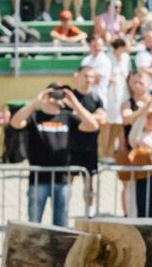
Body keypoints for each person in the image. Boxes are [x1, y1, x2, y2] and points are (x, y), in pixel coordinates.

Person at [11, 80, 98, 229]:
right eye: (53, 92)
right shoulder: (35, 116)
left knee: (61, 225)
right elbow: (15, 122)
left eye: (60, 92)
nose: (56, 96)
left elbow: (93, 126)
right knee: (34, 224)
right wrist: (35, 103)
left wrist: (75, 103)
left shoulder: (68, 117)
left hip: (62, 179)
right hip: (38, 178)